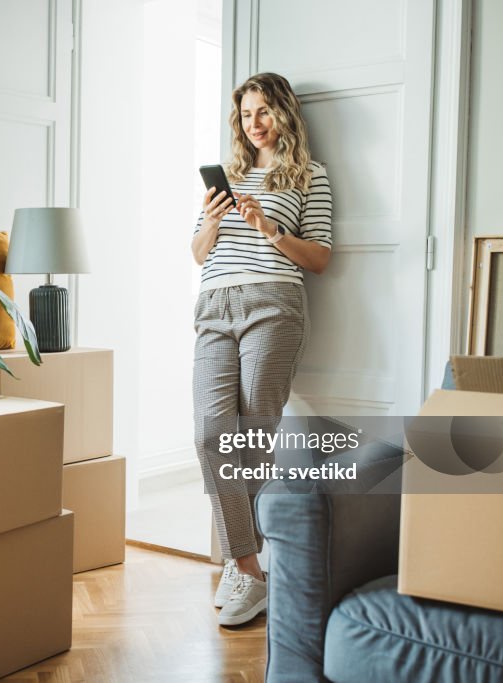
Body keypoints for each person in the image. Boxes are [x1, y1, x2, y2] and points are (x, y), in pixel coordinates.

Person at [191, 72, 332, 627]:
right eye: (247, 115)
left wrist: (268, 227)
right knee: (210, 432)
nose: (255, 124)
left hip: (274, 303)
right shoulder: (224, 179)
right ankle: (249, 567)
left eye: (264, 112)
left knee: (251, 435)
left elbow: (319, 257)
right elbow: (199, 253)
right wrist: (214, 220)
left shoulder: (309, 176)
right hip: (213, 307)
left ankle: (248, 569)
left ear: (284, 114)